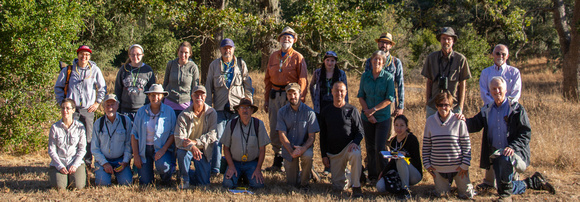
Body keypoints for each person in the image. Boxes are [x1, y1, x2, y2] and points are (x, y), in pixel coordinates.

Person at [465, 77, 555, 200]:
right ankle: (532, 182)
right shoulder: (487, 110)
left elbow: (525, 134)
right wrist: (459, 120)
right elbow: (474, 124)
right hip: (496, 155)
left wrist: (512, 147)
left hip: (515, 154)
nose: (497, 91)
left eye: (499, 88)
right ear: (490, 91)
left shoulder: (516, 109)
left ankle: (505, 197)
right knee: (501, 186)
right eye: (494, 89)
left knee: (504, 177)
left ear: (506, 89)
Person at [263, 27, 309, 172]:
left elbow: (303, 80)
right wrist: (265, 100)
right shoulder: (273, 56)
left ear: (294, 40)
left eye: (289, 37)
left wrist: (300, 99)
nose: (286, 39)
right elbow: (267, 79)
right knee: (275, 126)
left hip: (291, 97)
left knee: (290, 127)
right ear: (279, 40)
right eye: (284, 37)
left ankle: (290, 159)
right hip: (274, 96)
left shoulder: (298, 57)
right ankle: (277, 159)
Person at [54, 45, 107, 169]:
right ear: (78, 55)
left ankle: (87, 164)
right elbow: (58, 87)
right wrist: (63, 104)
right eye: (82, 54)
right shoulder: (68, 70)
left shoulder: (94, 70)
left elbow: (102, 88)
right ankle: (70, 163)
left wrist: (97, 103)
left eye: (87, 55)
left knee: (88, 137)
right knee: (70, 136)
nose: (84, 57)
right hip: (71, 110)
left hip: (88, 110)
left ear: (90, 56)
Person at [206, 38, 253, 175]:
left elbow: (248, 84)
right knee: (216, 139)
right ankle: (215, 169)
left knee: (237, 140)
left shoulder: (240, 64)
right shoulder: (214, 65)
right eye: (224, 48)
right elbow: (208, 87)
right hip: (220, 109)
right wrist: (208, 108)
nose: (227, 50)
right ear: (220, 50)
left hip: (237, 109)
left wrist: (248, 101)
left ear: (233, 49)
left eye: (230, 48)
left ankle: (236, 167)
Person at [422, 91, 474, 199]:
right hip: (438, 168)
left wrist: (465, 165)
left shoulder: (459, 121)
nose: (443, 108)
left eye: (446, 105)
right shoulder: (430, 121)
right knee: (442, 195)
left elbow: (466, 145)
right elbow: (426, 145)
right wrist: (427, 164)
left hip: (458, 168)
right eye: (440, 105)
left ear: (451, 106)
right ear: (436, 106)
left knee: (466, 195)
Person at [318, 82, 363, 197]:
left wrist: (355, 143)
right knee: (338, 187)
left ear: (346, 92)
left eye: (342, 91)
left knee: (356, 153)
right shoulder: (326, 111)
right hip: (334, 152)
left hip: (349, 148)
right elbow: (322, 135)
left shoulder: (352, 110)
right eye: (336, 90)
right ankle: (349, 177)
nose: (339, 93)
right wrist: (324, 155)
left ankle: (357, 187)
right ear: (332, 92)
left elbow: (360, 132)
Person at [357, 50, 395, 182]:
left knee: (380, 147)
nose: (377, 62)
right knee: (370, 147)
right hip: (366, 117)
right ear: (371, 61)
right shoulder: (365, 76)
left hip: (383, 117)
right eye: (375, 59)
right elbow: (361, 95)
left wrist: (374, 110)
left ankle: (383, 175)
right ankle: (372, 176)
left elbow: (390, 98)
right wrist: (367, 112)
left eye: (380, 60)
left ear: (383, 63)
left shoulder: (388, 77)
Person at [131, 84, 176, 185]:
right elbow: (134, 135)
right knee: (145, 182)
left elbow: (173, 134)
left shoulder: (169, 112)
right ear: (148, 96)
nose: (155, 98)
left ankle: (166, 178)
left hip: (161, 148)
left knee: (164, 167)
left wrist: (163, 150)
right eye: (152, 95)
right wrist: (136, 156)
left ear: (162, 96)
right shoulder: (141, 111)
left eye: (158, 95)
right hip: (144, 149)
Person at [174, 85, 218, 189]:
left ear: (206, 97)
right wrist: (191, 146)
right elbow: (179, 137)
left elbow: (212, 135)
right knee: (181, 153)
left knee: (204, 183)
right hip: (187, 149)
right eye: (196, 95)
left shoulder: (212, 113)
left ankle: (189, 174)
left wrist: (196, 142)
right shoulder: (183, 115)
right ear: (191, 97)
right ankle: (184, 179)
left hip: (203, 149)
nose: (199, 97)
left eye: (202, 95)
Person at [421, 27, 471, 118]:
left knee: (453, 132)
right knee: (433, 132)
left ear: (453, 41)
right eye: (444, 38)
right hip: (434, 106)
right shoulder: (431, 58)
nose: (446, 41)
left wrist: (460, 106)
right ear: (440, 40)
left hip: (453, 106)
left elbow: (463, 84)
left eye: (449, 39)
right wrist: (428, 103)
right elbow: (429, 82)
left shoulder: (460, 59)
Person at [221, 98, 270, 189]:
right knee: (227, 185)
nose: (245, 110)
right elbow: (226, 148)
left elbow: (262, 150)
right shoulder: (231, 124)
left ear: (252, 111)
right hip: (235, 162)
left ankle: (245, 176)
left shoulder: (258, 124)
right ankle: (240, 176)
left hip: (251, 163)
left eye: (248, 108)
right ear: (238, 111)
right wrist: (231, 166)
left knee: (258, 185)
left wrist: (258, 169)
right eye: (242, 107)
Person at [277, 83, 319, 189]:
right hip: (289, 148)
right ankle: (308, 171)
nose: (292, 97)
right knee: (292, 184)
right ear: (286, 95)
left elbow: (312, 137)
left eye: (294, 93)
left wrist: (303, 148)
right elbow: (282, 135)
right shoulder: (282, 112)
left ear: (300, 94)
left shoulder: (310, 112)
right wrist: (291, 151)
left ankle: (305, 182)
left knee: (308, 156)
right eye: (289, 94)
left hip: (305, 147)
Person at [91, 94, 133, 186]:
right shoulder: (98, 123)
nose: (110, 108)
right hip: (104, 160)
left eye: (112, 104)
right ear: (103, 107)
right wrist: (104, 163)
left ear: (117, 105)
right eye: (107, 105)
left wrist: (125, 161)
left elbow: (128, 144)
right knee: (103, 184)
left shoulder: (126, 121)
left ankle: (121, 173)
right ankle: (104, 173)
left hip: (120, 160)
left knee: (127, 183)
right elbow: (95, 148)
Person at [376, 115, 422, 198]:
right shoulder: (393, 141)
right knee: (380, 186)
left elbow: (417, 161)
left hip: (413, 173)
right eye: (396, 125)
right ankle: (399, 188)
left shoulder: (412, 139)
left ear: (407, 126)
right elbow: (392, 161)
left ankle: (406, 191)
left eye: (402, 125)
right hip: (398, 173)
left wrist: (406, 156)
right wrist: (384, 172)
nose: (399, 128)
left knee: (401, 159)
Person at [48, 98, 87, 190]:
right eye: (62, 108)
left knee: (77, 186)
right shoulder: (54, 127)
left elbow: (82, 149)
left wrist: (75, 164)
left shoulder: (80, 127)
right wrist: (59, 165)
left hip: (74, 162)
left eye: (68, 108)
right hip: (59, 163)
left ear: (73, 110)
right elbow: (51, 150)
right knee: (59, 187)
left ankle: (75, 175)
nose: (65, 111)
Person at [363, 32, 405, 117]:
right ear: (378, 44)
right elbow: (365, 83)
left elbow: (400, 85)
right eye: (382, 42)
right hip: (372, 102)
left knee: (389, 129)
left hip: (389, 103)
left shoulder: (396, 62)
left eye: (386, 43)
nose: (384, 45)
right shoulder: (370, 61)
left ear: (390, 46)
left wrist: (400, 106)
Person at [114, 44, 156, 120]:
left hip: (143, 109)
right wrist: (117, 108)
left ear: (142, 55)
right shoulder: (124, 69)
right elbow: (118, 89)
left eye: (138, 54)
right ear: (129, 56)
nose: (135, 57)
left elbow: (153, 90)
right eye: (132, 55)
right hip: (125, 110)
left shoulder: (147, 70)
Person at [163, 41, 201, 116]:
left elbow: (195, 88)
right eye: (181, 52)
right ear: (178, 52)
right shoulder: (171, 64)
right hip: (170, 102)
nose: (183, 55)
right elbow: (165, 84)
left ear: (190, 53)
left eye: (186, 52)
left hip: (185, 104)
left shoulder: (193, 67)